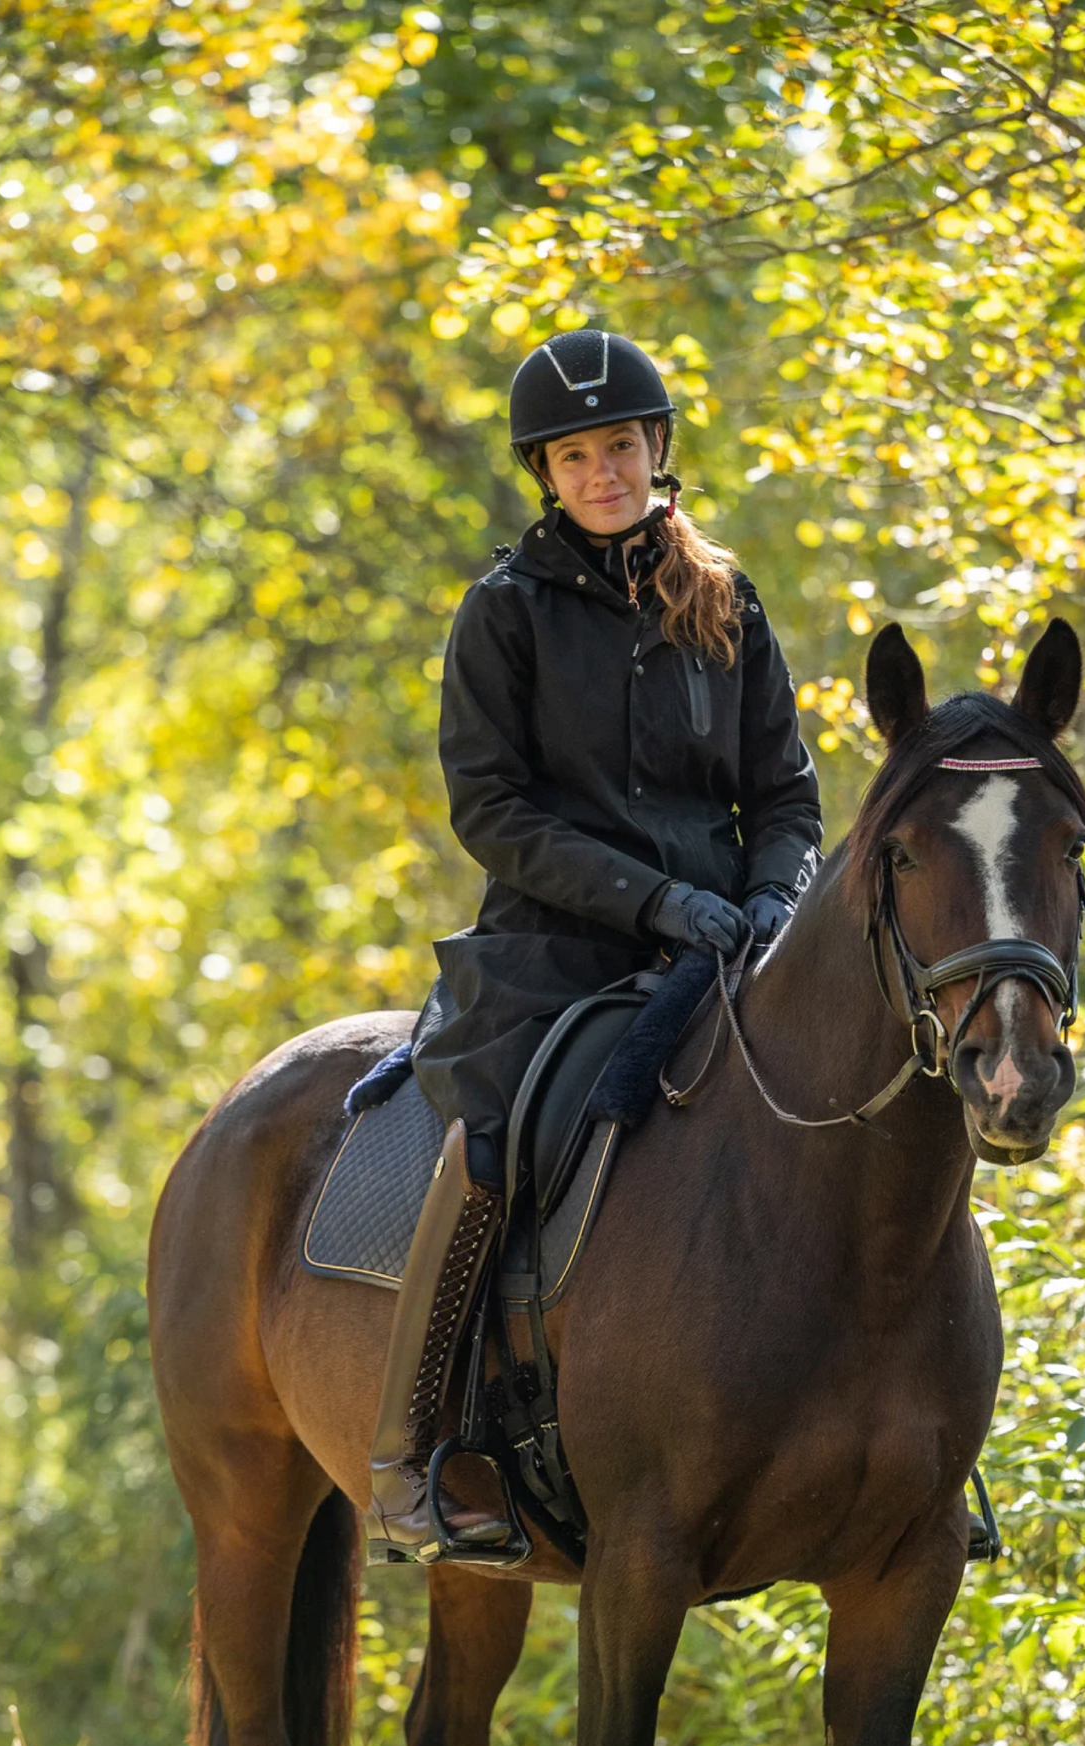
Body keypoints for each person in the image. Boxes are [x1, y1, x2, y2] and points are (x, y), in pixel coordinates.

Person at [368, 328, 823, 1561]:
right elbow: (492, 813)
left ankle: (910, 1446)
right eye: (574, 455)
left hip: (733, 948)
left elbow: (784, 796)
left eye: (618, 445)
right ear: (545, 472)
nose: (600, 472)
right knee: (491, 1138)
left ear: (655, 450)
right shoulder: (501, 614)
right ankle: (416, 1449)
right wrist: (651, 903)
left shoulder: (726, 604)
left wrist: (776, 900)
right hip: (555, 953)